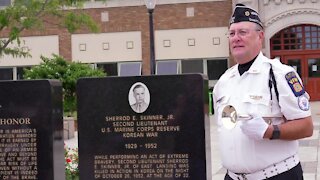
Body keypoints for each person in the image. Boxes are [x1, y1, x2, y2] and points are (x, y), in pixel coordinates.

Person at [213, 3, 313, 180]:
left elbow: (306, 127)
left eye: (243, 32)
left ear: (260, 36)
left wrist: (269, 131)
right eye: (232, 33)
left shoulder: (280, 74)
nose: (236, 38)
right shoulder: (224, 81)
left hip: (276, 175)